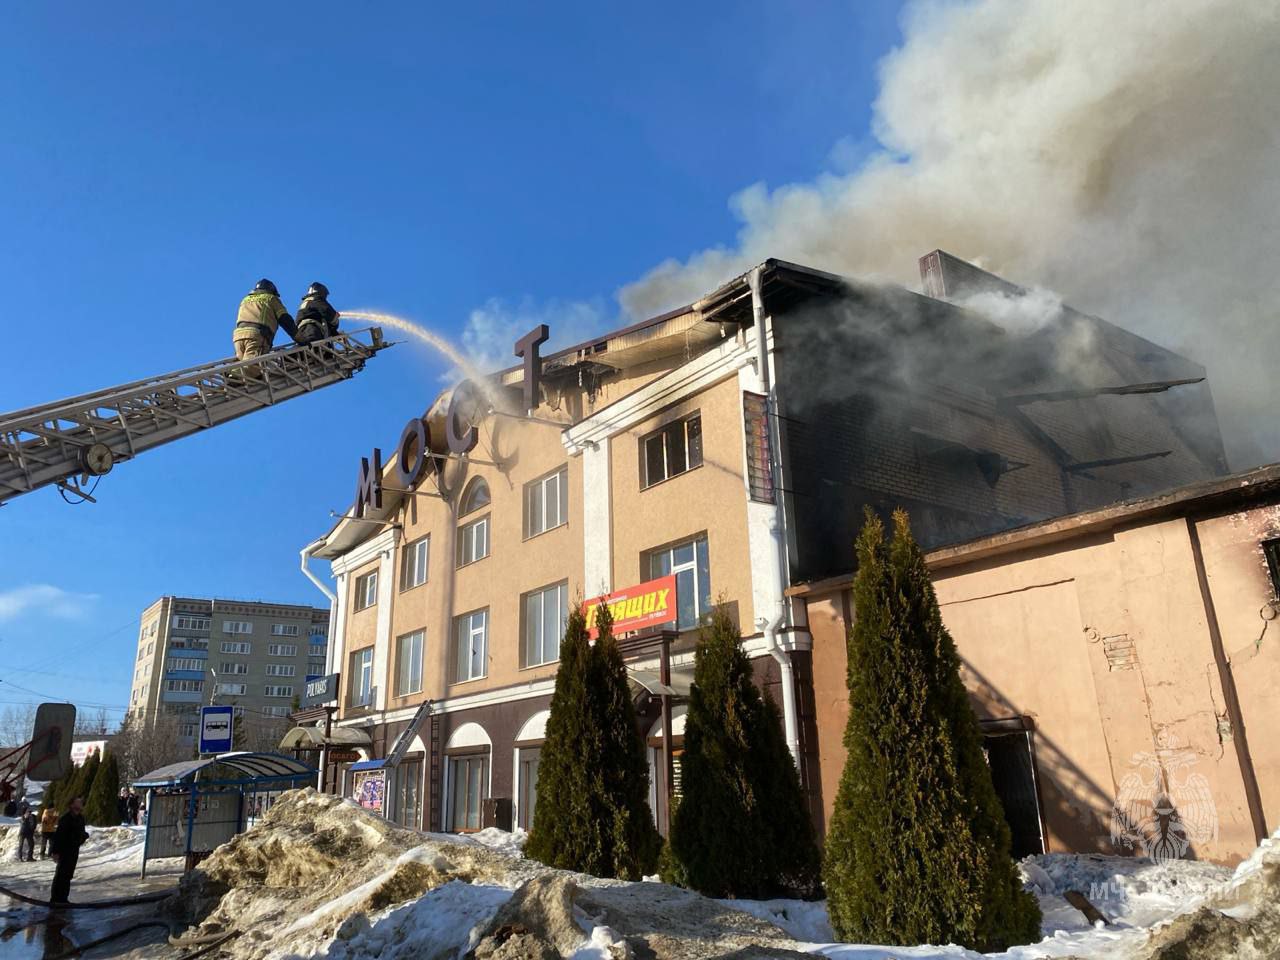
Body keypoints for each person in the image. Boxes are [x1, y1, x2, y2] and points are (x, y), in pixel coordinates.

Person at [233, 279, 297, 361]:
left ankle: (230, 373)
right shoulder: (271, 299)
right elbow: (285, 319)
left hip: (238, 336)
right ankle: (233, 374)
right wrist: (299, 338)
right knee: (253, 366)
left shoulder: (245, 300)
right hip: (257, 336)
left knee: (241, 363)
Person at [49, 796, 88, 905]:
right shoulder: (66, 819)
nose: (80, 803)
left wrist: (84, 836)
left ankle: (63, 898)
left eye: (81, 802)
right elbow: (59, 836)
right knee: (61, 874)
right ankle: (55, 899)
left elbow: (80, 833)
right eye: (78, 802)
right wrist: (55, 852)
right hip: (64, 850)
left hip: (74, 850)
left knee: (68, 875)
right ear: (72, 805)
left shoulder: (80, 818)